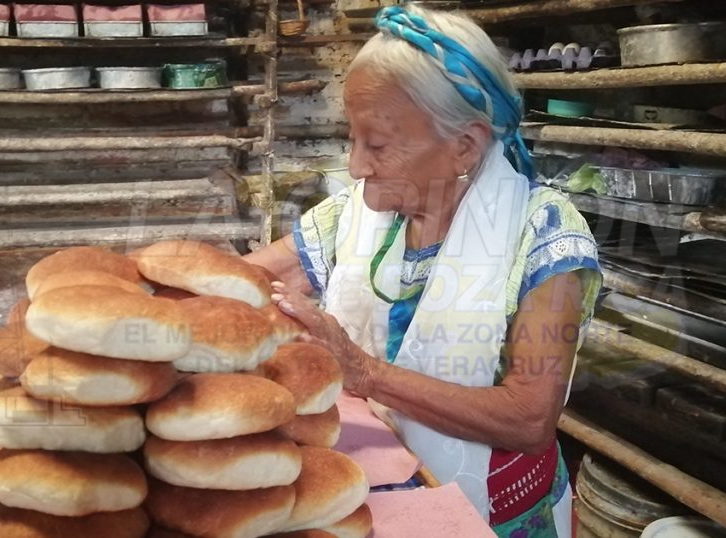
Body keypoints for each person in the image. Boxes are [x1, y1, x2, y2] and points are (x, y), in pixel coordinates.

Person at [245, 5, 602, 537]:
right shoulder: (357, 211)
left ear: (465, 145)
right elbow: (242, 283)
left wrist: (364, 372)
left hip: (496, 514)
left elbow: (528, 419)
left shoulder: (546, 232)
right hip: (378, 486)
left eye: (378, 145)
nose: (357, 165)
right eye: (353, 138)